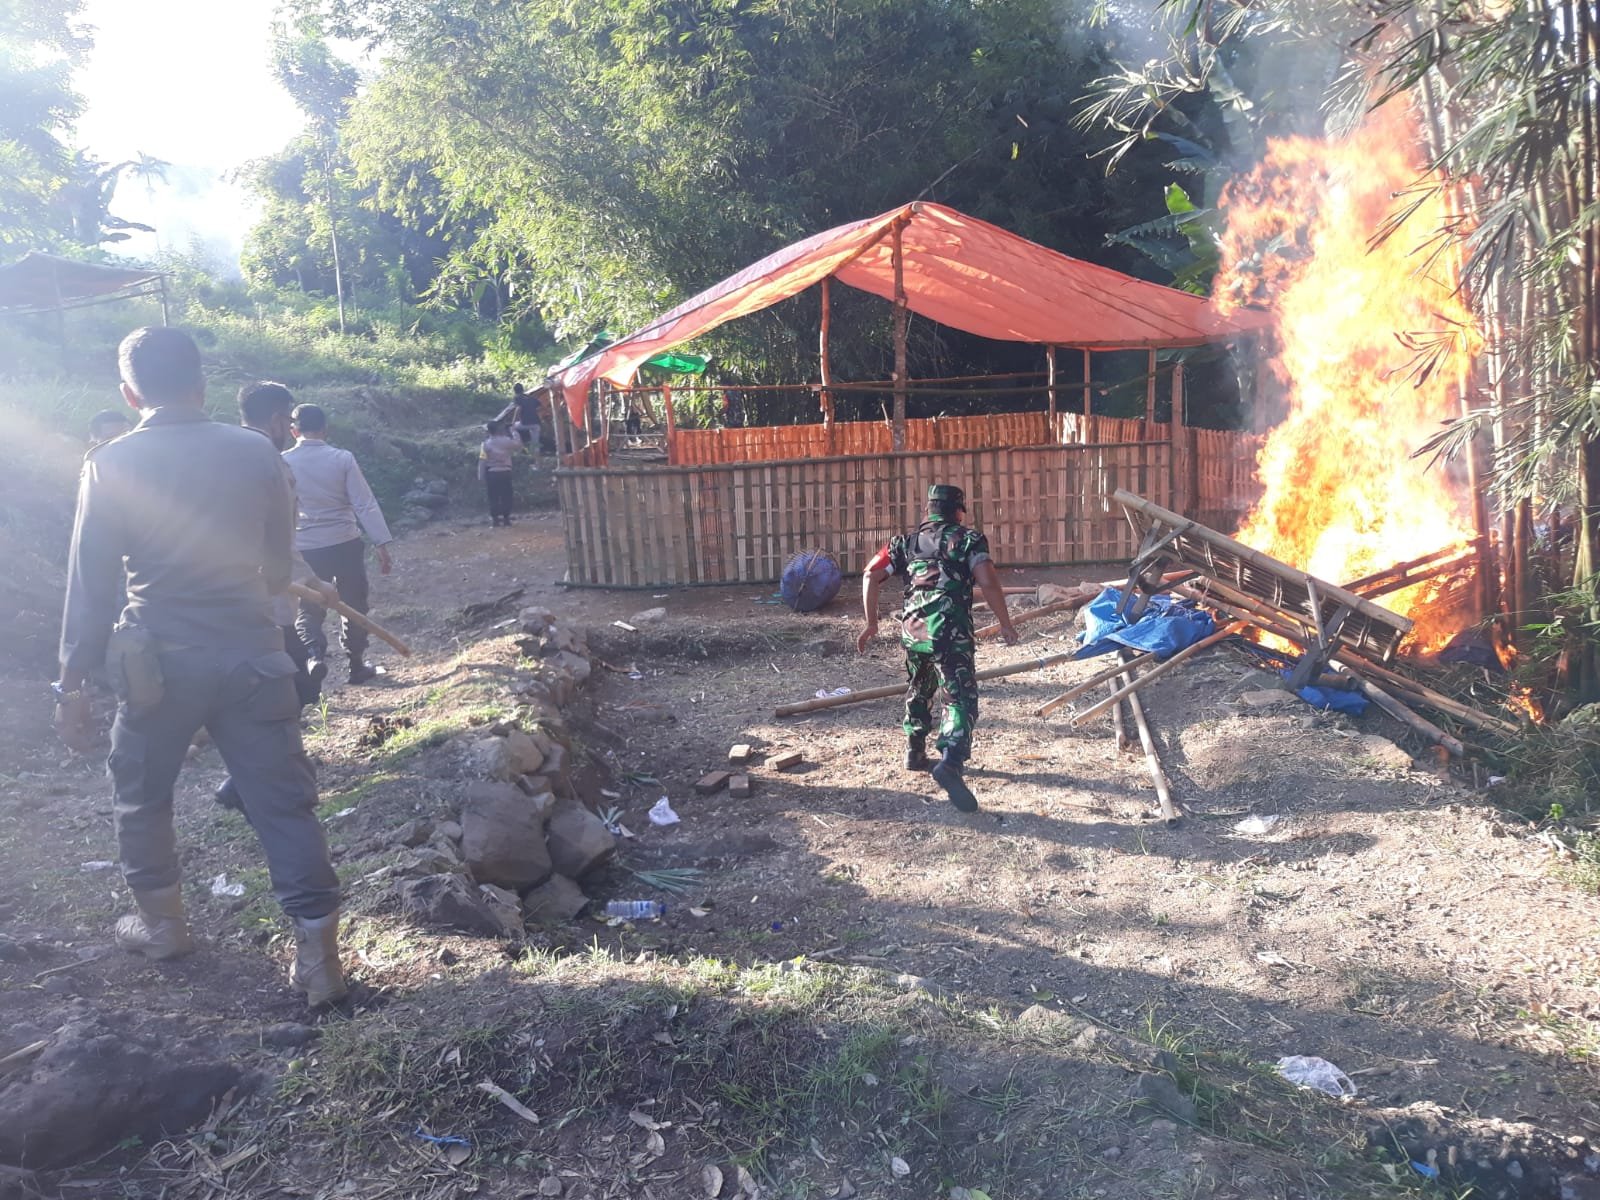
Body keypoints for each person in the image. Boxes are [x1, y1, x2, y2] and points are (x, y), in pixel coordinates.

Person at [53, 327, 347, 1006]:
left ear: (129, 394)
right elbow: (277, 569)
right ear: (202, 383)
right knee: (283, 805)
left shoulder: (110, 463)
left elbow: (91, 585)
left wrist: (71, 683)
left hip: (158, 669)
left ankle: (163, 927)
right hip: (255, 662)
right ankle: (320, 962)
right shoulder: (256, 451)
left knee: (140, 793)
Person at [213, 382, 341, 814]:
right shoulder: (268, 461)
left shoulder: (217, 453)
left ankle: (245, 778)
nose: (289, 428)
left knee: (271, 688)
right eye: (288, 420)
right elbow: (278, 539)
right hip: (263, 600)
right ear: (275, 420)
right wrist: (316, 582)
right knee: (294, 687)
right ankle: (251, 782)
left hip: (220, 598)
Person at [856, 484, 1018, 813]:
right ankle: (952, 761)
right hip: (950, 632)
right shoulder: (968, 540)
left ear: (928, 511)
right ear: (958, 511)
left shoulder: (905, 543)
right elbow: (987, 581)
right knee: (959, 696)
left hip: (913, 631)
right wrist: (1006, 623)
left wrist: (871, 623)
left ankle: (915, 751)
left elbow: (871, 574)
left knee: (920, 686)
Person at [282, 403, 394, 685]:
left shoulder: (282, 461)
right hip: (344, 542)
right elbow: (364, 503)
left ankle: (314, 654)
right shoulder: (342, 459)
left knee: (309, 607)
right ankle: (356, 665)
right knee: (354, 602)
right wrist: (381, 542)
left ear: (293, 430)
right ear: (325, 429)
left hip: (306, 546)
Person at [479, 419, 518, 526]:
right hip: (506, 472)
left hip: (492, 473)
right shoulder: (506, 441)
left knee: (493, 496)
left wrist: (481, 475)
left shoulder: (485, 444)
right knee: (506, 495)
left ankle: (495, 520)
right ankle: (506, 519)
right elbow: (518, 445)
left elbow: (482, 461)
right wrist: (514, 431)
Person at [497, 382, 542, 462]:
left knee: (512, 428)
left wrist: (513, 422)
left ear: (515, 391)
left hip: (525, 423)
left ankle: (520, 447)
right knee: (535, 444)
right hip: (536, 424)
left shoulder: (517, 397)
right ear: (523, 389)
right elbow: (540, 406)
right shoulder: (529, 397)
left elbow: (518, 409)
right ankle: (537, 465)